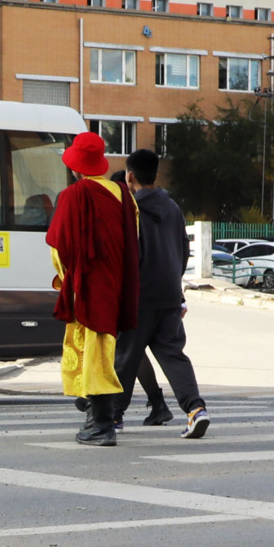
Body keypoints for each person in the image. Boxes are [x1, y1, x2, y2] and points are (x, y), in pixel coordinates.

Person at [46, 132, 138, 446]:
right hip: (115, 284)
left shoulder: (72, 195)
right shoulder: (123, 194)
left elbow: (59, 248)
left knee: (94, 354)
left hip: (87, 283)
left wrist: (65, 279)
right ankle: (95, 416)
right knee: (101, 353)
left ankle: (102, 426)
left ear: (75, 167)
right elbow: (132, 241)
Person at [114, 148, 210, 439]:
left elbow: (127, 254)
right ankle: (196, 410)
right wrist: (175, 286)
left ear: (129, 176)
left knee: (126, 356)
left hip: (139, 296)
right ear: (155, 174)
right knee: (172, 354)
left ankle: (113, 416)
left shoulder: (129, 209)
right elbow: (183, 250)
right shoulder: (173, 208)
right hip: (169, 296)